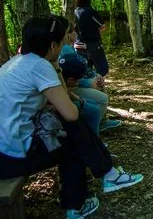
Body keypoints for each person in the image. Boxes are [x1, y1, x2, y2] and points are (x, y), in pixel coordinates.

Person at [0, 15, 143, 219]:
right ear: (52, 45)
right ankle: (80, 201)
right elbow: (70, 112)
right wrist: (56, 67)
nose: (67, 41)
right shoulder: (40, 66)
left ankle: (105, 177)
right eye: (62, 40)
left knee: (71, 130)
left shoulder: (17, 62)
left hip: (4, 149)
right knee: (73, 133)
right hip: (10, 155)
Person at [60, 25, 121, 133]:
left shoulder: (71, 47)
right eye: (73, 31)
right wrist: (89, 82)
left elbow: (83, 69)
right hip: (72, 87)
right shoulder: (65, 50)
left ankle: (100, 122)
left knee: (100, 85)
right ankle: (92, 130)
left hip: (77, 83)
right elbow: (69, 78)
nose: (76, 34)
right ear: (67, 34)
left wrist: (95, 75)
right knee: (102, 99)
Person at [74, 0, 109, 76]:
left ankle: (90, 84)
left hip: (78, 45)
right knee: (103, 69)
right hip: (92, 44)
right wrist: (95, 31)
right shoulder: (91, 11)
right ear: (89, 0)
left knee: (85, 69)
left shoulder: (75, 12)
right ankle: (97, 83)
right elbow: (102, 26)